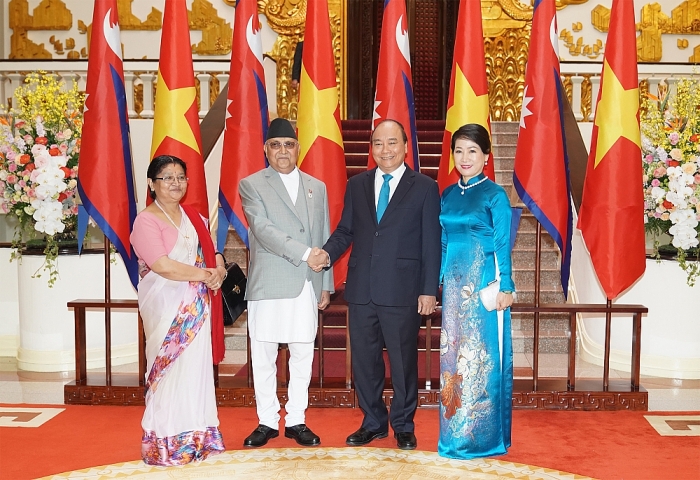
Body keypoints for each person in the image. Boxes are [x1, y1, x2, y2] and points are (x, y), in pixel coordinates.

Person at [315, 119, 441, 451]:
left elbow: (431, 242)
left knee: (402, 361)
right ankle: (373, 422)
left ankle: (403, 424)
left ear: (404, 146)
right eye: (378, 144)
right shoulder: (357, 184)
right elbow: (346, 231)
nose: (385, 150)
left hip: (403, 290)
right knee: (364, 362)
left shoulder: (425, 187)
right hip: (361, 290)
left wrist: (429, 290)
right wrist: (326, 254)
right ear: (371, 148)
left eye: (392, 143)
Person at [239, 118, 333, 448]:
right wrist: (306, 253)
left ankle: (296, 419)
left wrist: (325, 283)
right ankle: (266, 419)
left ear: (298, 149)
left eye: (289, 144)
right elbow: (263, 231)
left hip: (306, 283)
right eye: (276, 145)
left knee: (302, 353)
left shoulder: (316, 186)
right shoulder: (251, 184)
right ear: (266, 149)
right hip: (270, 281)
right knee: (263, 354)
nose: (283, 151)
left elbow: (324, 235)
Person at [130, 155, 226, 466]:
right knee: (169, 373)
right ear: (151, 184)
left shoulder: (194, 216)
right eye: (167, 177)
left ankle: (198, 438)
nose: (175, 183)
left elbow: (211, 252)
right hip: (166, 309)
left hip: (196, 307)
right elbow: (162, 266)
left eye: (180, 177)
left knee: (195, 373)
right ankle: (166, 444)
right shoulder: (146, 220)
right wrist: (205, 274)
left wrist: (219, 269)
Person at [438, 123, 515, 459]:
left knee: (481, 360)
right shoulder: (448, 194)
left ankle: (481, 437)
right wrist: (439, 282)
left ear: (486, 155)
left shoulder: (495, 195)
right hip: (453, 291)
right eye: (459, 150)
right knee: (451, 358)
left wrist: (507, 286)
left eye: (472, 151)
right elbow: (443, 242)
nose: (465, 157)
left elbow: (502, 244)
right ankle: (452, 434)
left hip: (482, 286)